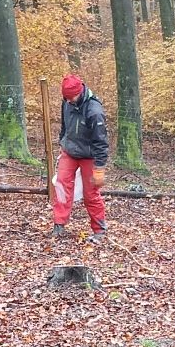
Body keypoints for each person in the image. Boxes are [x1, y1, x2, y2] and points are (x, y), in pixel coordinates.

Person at [53, 73, 109, 239]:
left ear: (80, 91)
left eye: (72, 97)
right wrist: (63, 141)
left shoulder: (94, 112)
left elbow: (101, 142)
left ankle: (99, 230)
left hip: (89, 156)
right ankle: (58, 225)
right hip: (69, 152)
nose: (69, 101)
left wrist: (99, 168)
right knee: (61, 187)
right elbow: (64, 125)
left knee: (91, 194)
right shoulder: (66, 102)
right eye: (66, 97)